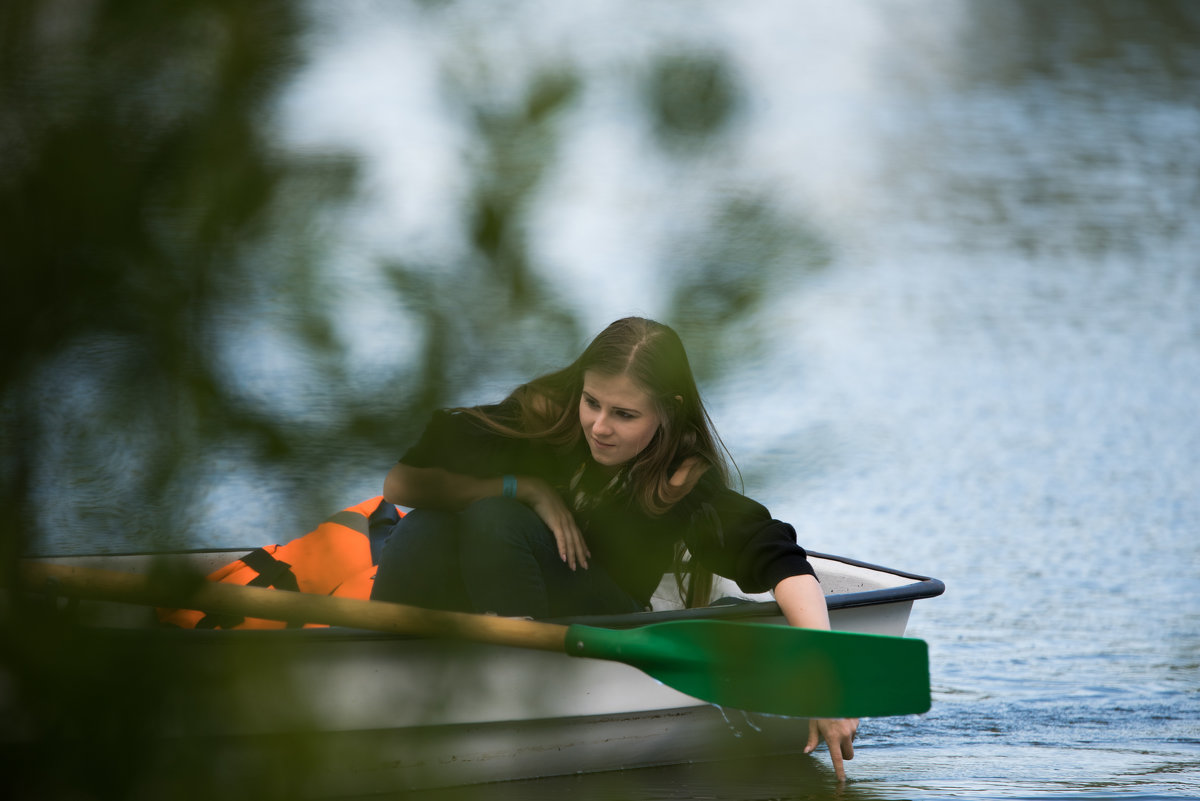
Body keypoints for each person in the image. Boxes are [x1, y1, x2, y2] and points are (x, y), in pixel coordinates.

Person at [371, 316, 859, 780]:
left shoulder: (679, 478)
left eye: (624, 415)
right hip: (502, 594)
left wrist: (825, 679)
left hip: (605, 620)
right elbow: (402, 483)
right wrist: (524, 488)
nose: (599, 426)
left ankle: (520, 695)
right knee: (426, 527)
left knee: (496, 520)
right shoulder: (549, 413)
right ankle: (371, 671)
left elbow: (781, 560)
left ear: (666, 410)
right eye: (592, 402)